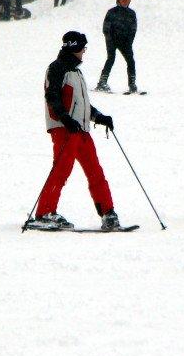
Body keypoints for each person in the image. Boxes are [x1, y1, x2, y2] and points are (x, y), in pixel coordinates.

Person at [28, 30, 120, 230]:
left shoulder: (76, 71)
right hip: (64, 130)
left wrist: (98, 117)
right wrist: (65, 119)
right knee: (61, 170)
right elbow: (52, 97)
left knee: (95, 171)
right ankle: (44, 213)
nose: (84, 52)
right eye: (82, 48)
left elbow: (82, 105)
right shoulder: (57, 68)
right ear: (74, 47)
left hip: (81, 130)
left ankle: (108, 213)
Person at [95, 0, 138, 93]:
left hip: (125, 42)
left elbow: (133, 29)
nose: (125, 2)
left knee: (131, 61)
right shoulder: (112, 12)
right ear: (118, 1)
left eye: (128, 0)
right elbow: (106, 28)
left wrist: (129, 42)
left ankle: (132, 84)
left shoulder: (131, 13)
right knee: (111, 59)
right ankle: (102, 82)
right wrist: (110, 39)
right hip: (112, 40)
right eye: (123, 0)